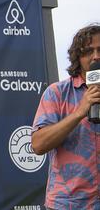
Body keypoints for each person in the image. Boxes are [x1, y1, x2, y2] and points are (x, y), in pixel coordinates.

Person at [32, 23, 100, 209]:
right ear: (78, 56)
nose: (96, 56)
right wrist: (79, 112)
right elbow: (38, 145)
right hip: (67, 204)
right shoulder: (56, 92)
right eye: (88, 51)